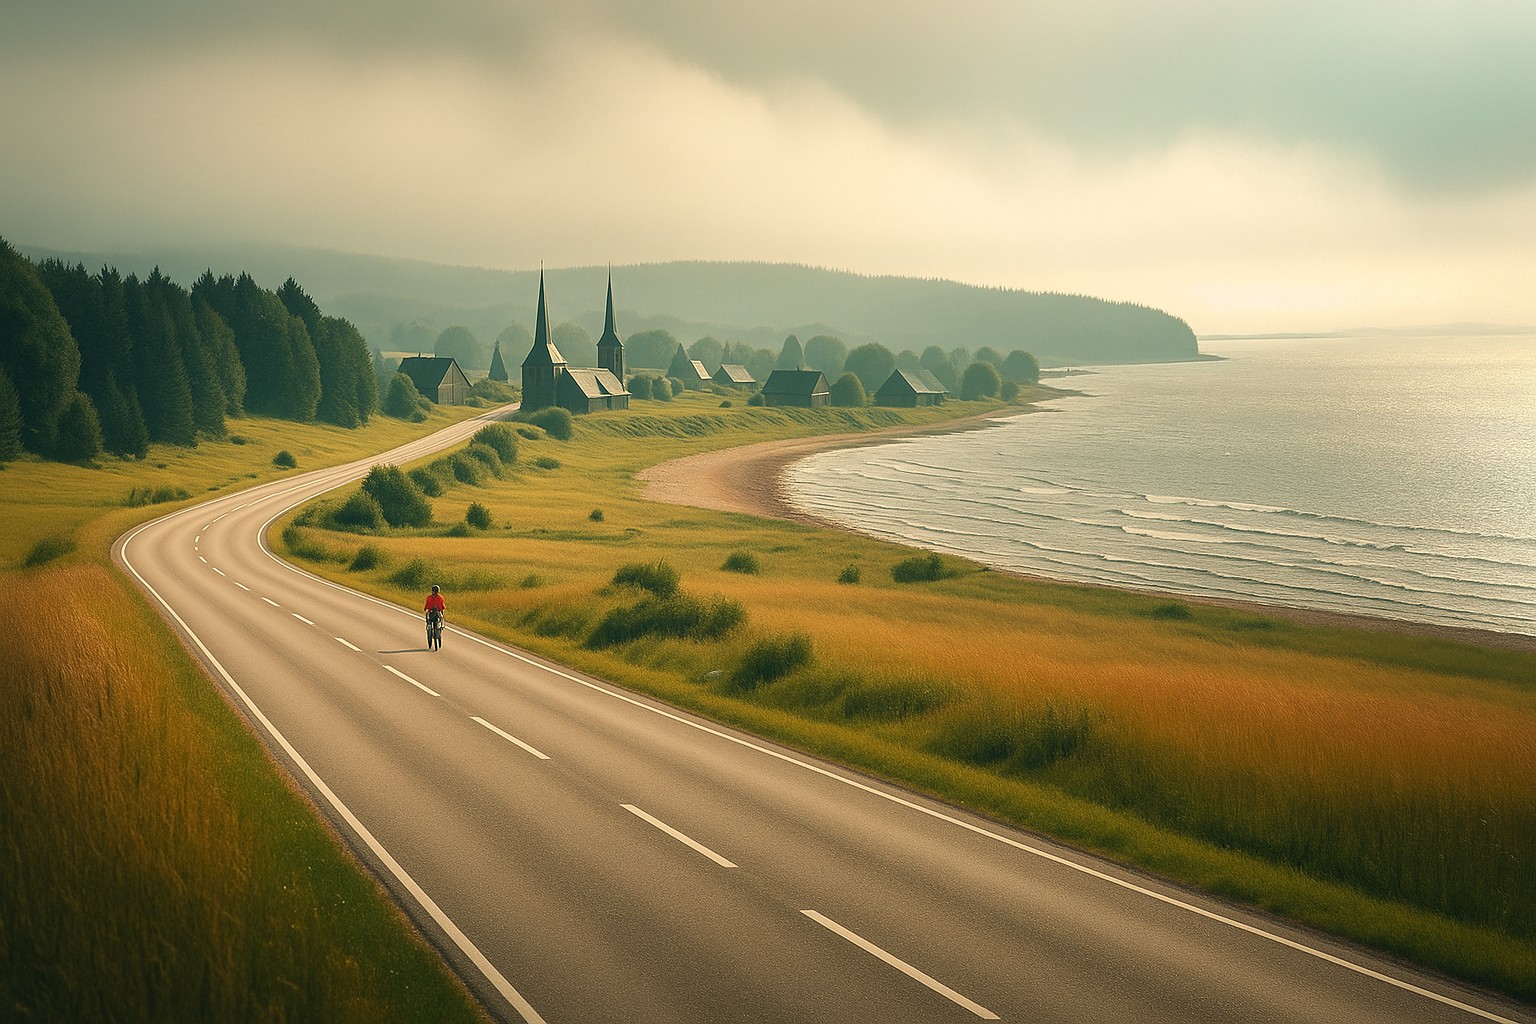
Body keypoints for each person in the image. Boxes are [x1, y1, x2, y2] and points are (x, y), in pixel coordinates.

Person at [424, 584, 446, 650]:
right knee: (428, 619)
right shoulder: (429, 597)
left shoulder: (440, 598)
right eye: (434, 591)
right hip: (431, 613)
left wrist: (441, 614)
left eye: (435, 591)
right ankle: (429, 628)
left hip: (437, 613)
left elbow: (442, 607)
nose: (434, 593)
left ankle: (440, 627)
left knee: (440, 618)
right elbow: (427, 606)